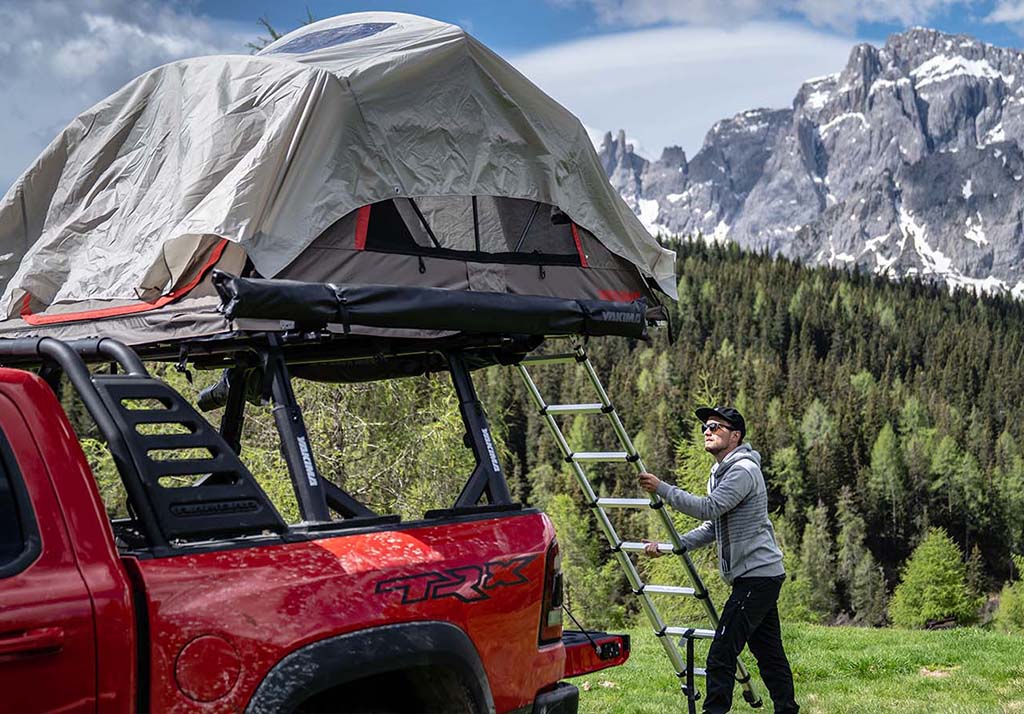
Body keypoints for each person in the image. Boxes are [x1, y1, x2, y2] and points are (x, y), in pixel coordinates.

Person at [637, 405, 798, 714]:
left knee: (721, 655)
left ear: (735, 436)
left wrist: (662, 488)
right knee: (769, 653)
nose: (707, 431)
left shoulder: (742, 471)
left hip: (757, 577)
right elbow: (714, 526)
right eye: (705, 427)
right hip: (757, 575)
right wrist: (671, 546)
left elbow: (708, 509)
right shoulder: (722, 472)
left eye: (715, 427)